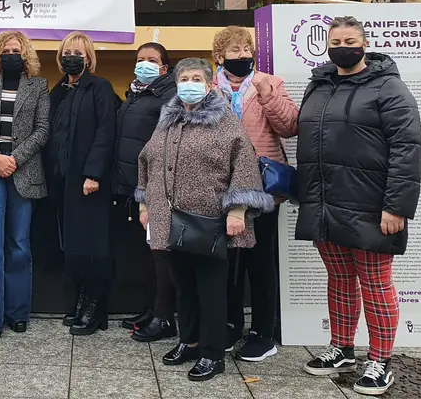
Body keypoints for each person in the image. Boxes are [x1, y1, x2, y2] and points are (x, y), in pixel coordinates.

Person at [297, 17, 421, 396]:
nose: (342, 45)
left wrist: (396, 207)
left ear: (364, 45)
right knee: (339, 279)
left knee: (375, 282)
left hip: (370, 205)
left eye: (350, 40)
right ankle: (342, 349)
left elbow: (407, 149)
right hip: (324, 202)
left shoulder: (389, 87)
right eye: (335, 40)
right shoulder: (317, 85)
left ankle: (381, 361)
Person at [137, 58, 273, 382]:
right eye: (185, 77)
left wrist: (238, 210)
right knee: (183, 285)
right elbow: (148, 159)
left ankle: (212, 354)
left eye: (197, 77)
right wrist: (144, 204)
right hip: (170, 219)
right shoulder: (168, 119)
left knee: (211, 289)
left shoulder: (224, 118)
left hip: (209, 221)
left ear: (210, 83)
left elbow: (244, 162)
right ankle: (189, 340)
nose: (190, 83)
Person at [211, 26, 299, 361]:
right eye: (234, 50)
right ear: (220, 56)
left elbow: (289, 126)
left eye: (247, 48)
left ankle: (263, 332)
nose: (242, 55)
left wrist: (267, 95)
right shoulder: (207, 85)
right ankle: (231, 326)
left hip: (262, 189)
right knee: (227, 262)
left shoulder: (270, 82)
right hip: (219, 187)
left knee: (260, 263)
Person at [0, 30, 50, 342]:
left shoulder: (39, 85)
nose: (11, 54)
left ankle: (18, 313)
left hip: (23, 170)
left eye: (16, 49)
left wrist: (14, 158)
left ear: (25, 53)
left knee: (19, 244)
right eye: (6, 50)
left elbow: (42, 129)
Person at [46, 32, 117, 336]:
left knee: (93, 246)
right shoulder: (58, 91)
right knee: (74, 245)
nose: (72, 56)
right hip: (64, 180)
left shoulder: (99, 88)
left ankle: (95, 308)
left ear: (88, 57)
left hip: (89, 181)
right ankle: (81, 302)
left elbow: (105, 133)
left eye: (78, 52)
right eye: (67, 52)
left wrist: (94, 174)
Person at [113, 42, 179, 342]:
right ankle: (151, 310)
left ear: (165, 68)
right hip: (134, 186)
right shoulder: (136, 93)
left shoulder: (169, 96)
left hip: (156, 187)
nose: (145, 64)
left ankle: (164, 319)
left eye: (152, 60)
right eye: (140, 60)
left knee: (160, 254)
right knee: (147, 255)